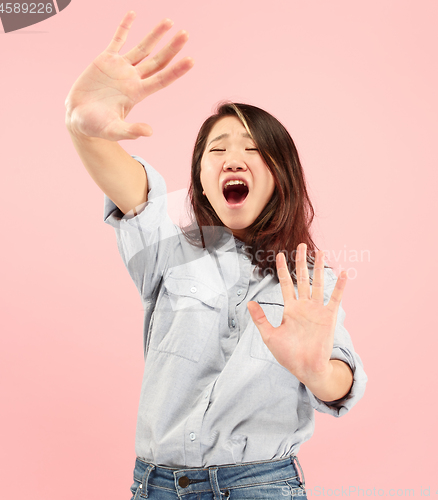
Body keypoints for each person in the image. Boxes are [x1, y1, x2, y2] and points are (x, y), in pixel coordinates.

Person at [65, 11, 367, 500]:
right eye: (216, 148)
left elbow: (341, 376)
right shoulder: (168, 246)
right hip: (157, 485)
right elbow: (129, 185)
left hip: (260, 486)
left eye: (252, 148)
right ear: (202, 177)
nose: (232, 156)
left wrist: (317, 372)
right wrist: (83, 129)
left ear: (279, 174)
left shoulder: (310, 280)